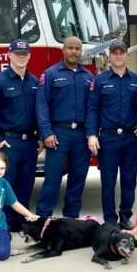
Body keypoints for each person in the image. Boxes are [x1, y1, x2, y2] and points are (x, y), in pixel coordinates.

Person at [0, 38, 39, 233]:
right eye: (17, 54)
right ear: (9, 55)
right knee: (5, 185)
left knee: (26, 184)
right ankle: (3, 224)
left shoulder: (34, 82)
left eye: (24, 54)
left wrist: (40, 136)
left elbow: (39, 111)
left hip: (30, 142)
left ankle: (22, 223)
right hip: (9, 142)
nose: (21, 58)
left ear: (29, 56)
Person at [86, 39, 137, 230]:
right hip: (108, 138)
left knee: (129, 180)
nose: (118, 56)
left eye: (121, 52)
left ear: (127, 55)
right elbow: (92, 109)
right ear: (109, 56)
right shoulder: (100, 80)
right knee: (108, 182)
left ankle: (125, 216)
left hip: (130, 138)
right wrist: (92, 135)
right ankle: (110, 219)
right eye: (115, 53)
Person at [35, 36, 94, 218]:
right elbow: (42, 105)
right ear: (63, 50)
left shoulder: (89, 77)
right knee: (52, 178)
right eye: (70, 48)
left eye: (77, 48)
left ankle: (71, 218)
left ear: (81, 51)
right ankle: (43, 218)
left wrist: (91, 133)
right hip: (58, 133)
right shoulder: (51, 74)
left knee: (78, 179)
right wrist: (46, 133)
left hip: (81, 135)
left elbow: (93, 107)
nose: (74, 52)